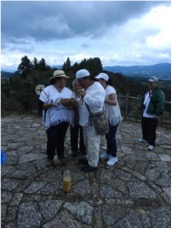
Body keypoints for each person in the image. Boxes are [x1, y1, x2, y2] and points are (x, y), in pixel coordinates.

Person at [39, 70, 74, 166]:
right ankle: (50, 158)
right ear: (58, 80)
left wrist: (71, 104)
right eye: (64, 79)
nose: (66, 81)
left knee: (61, 138)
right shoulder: (47, 90)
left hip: (64, 118)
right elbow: (41, 105)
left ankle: (61, 155)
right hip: (52, 120)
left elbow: (72, 103)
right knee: (52, 139)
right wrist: (50, 104)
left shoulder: (68, 91)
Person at [75, 69, 106, 172]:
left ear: (87, 78)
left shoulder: (98, 88)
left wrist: (85, 95)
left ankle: (93, 165)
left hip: (93, 121)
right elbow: (85, 102)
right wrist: (79, 98)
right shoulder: (87, 87)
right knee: (87, 142)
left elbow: (98, 103)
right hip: (86, 122)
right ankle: (89, 158)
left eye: (80, 81)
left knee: (93, 142)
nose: (79, 84)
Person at [95, 73, 122, 166]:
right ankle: (108, 153)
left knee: (111, 137)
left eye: (99, 79)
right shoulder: (101, 89)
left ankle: (114, 156)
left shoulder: (110, 89)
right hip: (106, 116)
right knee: (107, 136)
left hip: (113, 116)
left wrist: (102, 100)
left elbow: (114, 102)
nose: (97, 81)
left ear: (104, 80)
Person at [138, 76, 165, 151]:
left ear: (156, 83)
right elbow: (144, 100)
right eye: (149, 82)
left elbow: (160, 104)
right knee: (144, 127)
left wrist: (157, 114)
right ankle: (144, 138)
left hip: (152, 115)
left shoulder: (159, 93)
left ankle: (151, 143)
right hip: (145, 113)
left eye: (152, 82)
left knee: (151, 130)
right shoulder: (147, 91)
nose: (150, 84)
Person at [70, 79, 86, 156]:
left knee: (83, 135)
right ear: (73, 86)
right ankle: (74, 150)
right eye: (75, 85)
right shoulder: (71, 95)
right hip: (73, 118)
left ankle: (83, 149)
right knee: (73, 134)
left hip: (83, 117)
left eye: (78, 85)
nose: (77, 87)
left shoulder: (85, 93)